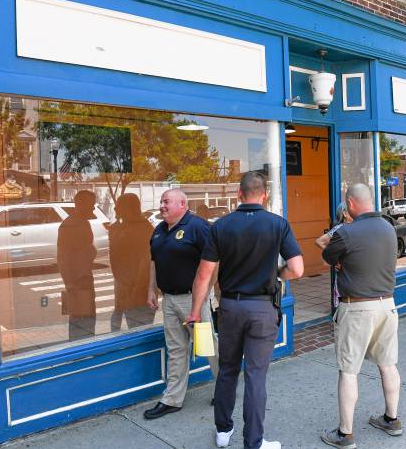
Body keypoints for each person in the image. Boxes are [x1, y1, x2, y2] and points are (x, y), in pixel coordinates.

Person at [186, 171, 304, 449]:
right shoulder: (278, 224)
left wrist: (194, 311)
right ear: (264, 195)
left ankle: (223, 431)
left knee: (227, 368)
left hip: (229, 307)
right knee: (255, 375)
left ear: (239, 194)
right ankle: (254, 442)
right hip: (262, 308)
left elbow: (204, 276)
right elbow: (297, 269)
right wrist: (277, 274)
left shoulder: (221, 226)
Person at [319, 184, 402, 448]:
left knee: (348, 371)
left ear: (351, 204)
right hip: (387, 305)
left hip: (356, 308)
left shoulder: (346, 232)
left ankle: (345, 434)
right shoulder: (389, 228)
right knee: (388, 364)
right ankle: (392, 419)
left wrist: (343, 260)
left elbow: (326, 257)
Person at [143, 189, 219, 420]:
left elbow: (215, 261)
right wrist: (151, 289)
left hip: (192, 300)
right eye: (161, 202)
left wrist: (204, 294)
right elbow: (154, 262)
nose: (162, 205)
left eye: (166, 202)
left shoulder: (198, 227)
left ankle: (225, 388)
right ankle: (172, 399)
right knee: (176, 349)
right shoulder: (158, 231)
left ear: (182, 204)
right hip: (169, 300)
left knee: (207, 346)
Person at [109, 193, 155, 332]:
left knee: (138, 329)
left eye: (118, 206)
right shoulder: (122, 227)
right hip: (124, 285)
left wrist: (136, 288)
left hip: (137, 289)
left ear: (129, 208)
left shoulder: (142, 228)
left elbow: (145, 260)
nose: (115, 209)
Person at [58, 190, 98, 341]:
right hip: (78, 281)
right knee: (81, 322)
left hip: (82, 279)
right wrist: (69, 283)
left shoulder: (80, 223)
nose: (93, 209)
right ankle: (81, 354)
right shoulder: (70, 225)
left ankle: (84, 349)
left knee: (83, 321)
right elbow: (63, 258)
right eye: (91, 205)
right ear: (81, 205)